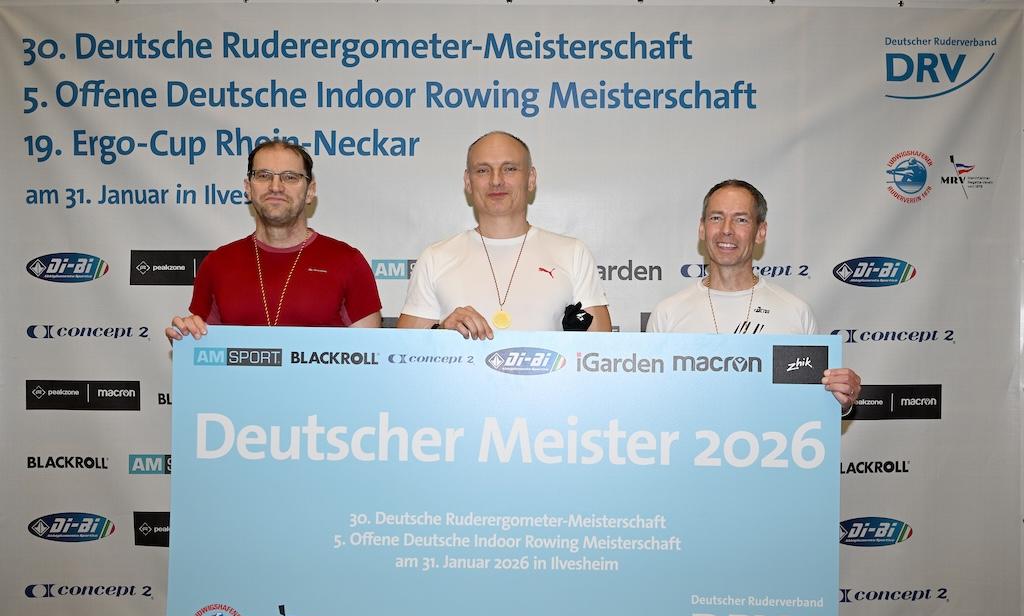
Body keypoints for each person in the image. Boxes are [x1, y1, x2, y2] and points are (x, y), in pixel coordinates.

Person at [648, 179, 860, 411]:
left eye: (741, 219)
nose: (726, 229)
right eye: (716, 218)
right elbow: (653, 405)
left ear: (760, 232)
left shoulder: (795, 312)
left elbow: (810, 406)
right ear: (702, 228)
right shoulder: (668, 313)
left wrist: (840, 402)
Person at [397, 131, 611, 339]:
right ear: (468, 181)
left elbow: (601, 352)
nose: (496, 180)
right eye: (483, 170)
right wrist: (441, 332)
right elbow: (402, 352)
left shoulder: (572, 254)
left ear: (531, 178)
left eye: (509, 169)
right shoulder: (435, 258)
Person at [165, 140, 381, 342]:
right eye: (263, 175)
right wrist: (186, 340)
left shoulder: (348, 262)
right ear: (248, 188)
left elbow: (369, 356)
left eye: (290, 177)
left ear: (310, 191)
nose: (276, 186)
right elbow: (202, 353)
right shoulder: (217, 264)